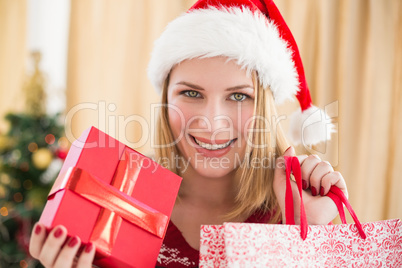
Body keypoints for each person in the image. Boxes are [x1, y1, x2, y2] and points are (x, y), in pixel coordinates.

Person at [29, 0, 347, 267]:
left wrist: (308, 234)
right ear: (166, 99)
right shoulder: (118, 201)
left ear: (264, 108)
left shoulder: (295, 211)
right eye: (192, 94)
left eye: (239, 96)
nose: (211, 121)